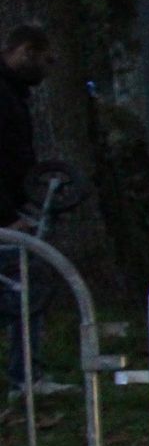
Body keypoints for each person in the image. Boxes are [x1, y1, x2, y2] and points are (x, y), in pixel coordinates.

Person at [0, 25, 74, 398]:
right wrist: (6, 217)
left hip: (13, 207)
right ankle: (25, 378)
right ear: (26, 51)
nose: (49, 68)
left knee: (27, 284)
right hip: (5, 217)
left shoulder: (13, 94)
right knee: (25, 285)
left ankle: (26, 376)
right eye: (47, 59)